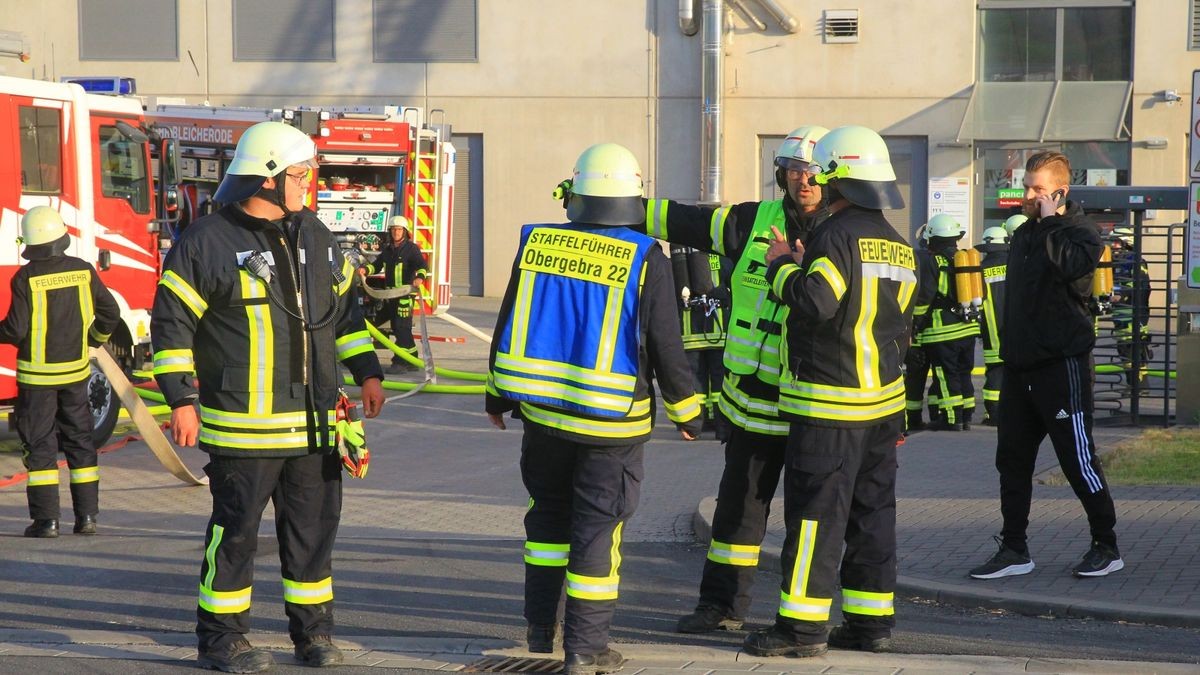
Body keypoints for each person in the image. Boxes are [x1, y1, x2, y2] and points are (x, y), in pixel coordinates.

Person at [151, 121, 385, 673]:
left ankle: (314, 636)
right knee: (234, 538)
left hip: (316, 427)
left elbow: (345, 316)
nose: (312, 185)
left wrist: (368, 372)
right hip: (244, 428)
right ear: (271, 177)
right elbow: (171, 327)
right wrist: (181, 399)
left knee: (312, 537)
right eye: (303, 174)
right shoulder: (206, 242)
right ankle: (222, 641)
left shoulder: (317, 236)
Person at [487, 143, 701, 675]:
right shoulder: (644, 254)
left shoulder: (538, 242)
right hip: (611, 422)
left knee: (548, 523)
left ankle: (540, 631)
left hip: (542, 416)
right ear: (633, 195)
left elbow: (511, 315)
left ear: (574, 192)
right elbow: (665, 342)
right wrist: (688, 411)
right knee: (596, 533)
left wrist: (497, 394)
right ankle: (585, 648)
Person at [743, 125, 916, 658]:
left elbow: (816, 300)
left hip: (829, 406)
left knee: (816, 516)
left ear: (838, 178)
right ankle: (869, 625)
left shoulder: (835, 236)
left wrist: (780, 268)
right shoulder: (899, 242)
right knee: (872, 515)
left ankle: (800, 630)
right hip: (883, 407)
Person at [969, 151, 1122, 581]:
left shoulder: (1080, 233)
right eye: (1027, 186)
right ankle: (1014, 548)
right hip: (1021, 369)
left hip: (1062, 367)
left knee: (1076, 458)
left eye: (1038, 188)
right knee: (1012, 460)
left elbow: (1073, 269)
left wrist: (1052, 219)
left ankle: (1105, 544)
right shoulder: (1025, 236)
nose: (1030, 195)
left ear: (1060, 191)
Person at [0, 206, 120, 538]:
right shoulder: (83, 271)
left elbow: (14, 329)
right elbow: (110, 311)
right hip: (75, 376)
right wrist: (95, 339)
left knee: (39, 445)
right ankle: (87, 519)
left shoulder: (25, 278)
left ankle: (47, 521)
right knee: (81, 442)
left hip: (38, 381)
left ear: (30, 242)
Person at [913, 213, 980, 431]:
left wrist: (917, 323)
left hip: (943, 331)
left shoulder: (934, 261)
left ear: (932, 237)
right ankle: (967, 416)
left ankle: (952, 419)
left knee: (946, 374)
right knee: (964, 372)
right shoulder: (965, 259)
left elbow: (925, 297)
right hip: (968, 326)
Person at [671, 246, 733, 439]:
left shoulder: (683, 256)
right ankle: (721, 426)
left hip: (689, 330)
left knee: (694, 381)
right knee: (719, 380)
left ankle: (694, 425)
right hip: (718, 328)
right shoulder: (723, 255)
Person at [358, 216, 428, 373]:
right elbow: (376, 266)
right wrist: (365, 270)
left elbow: (423, 266)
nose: (396, 232)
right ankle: (412, 360)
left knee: (401, 328)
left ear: (405, 232)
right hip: (389, 295)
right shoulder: (388, 250)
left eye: (399, 229)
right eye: (394, 229)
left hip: (404, 295)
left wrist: (419, 277)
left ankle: (401, 362)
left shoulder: (411, 249)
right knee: (397, 327)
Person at [976, 225, 1010, 426]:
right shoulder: (1016, 263)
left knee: (995, 371)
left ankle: (994, 415)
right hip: (1018, 329)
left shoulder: (979, 269)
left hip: (991, 329)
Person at [902, 226, 931, 433]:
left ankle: (911, 420)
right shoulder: (940, 261)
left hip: (911, 331)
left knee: (913, 377)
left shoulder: (914, 258)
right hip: (933, 330)